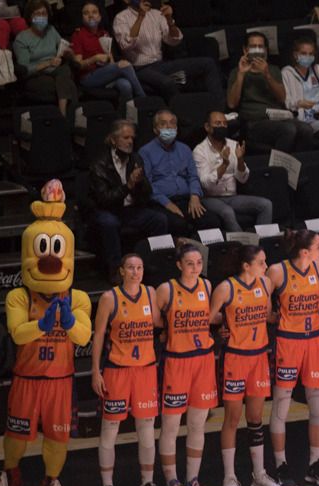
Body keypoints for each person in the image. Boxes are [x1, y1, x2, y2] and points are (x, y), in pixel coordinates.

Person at [0, 181, 91, 486]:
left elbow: (84, 337)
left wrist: (69, 324)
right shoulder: (19, 296)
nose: (50, 257)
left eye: (56, 248)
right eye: (43, 248)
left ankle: (51, 482)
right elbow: (17, 334)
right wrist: (41, 325)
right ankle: (10, 475)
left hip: (59, 380)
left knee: (58, 436)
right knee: (16, 435)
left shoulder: (78, 298)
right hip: (27, 378)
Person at [209, 245, 282, 486]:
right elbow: (209, 317)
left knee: (255, 418)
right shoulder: (226, 288)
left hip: (259, 357)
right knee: (231, 418)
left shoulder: (266, 284)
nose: (265, 265)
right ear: (246, 266)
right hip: (235, 359)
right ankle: (229, 478)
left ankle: (259, 475)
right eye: (261, 262)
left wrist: (285, 313)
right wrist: (222, 329)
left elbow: (267, 316)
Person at [91, 254, 161, 486]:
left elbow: (159, 324)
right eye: (130, 268)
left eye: (139, 267)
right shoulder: (110, 298)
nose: (135, 272)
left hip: (145, 370)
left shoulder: (150, 293)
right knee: (110, 429)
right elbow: (98, 336)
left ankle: (148, 483)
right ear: (121, 271)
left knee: (146, 429)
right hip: (117, 371)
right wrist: (95, 371)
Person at [154, 244, 218, 486]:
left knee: (197, 424)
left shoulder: (207, 286)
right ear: (179, 265)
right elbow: (155, 320)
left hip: (203, 361)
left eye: (199, 263)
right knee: (170, 426)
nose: (195, 268)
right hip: (176, 362)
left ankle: (192, 479)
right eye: (190, 263)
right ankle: (171, 482)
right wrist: (167, 330)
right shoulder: (166, 289)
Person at [266, 230, 319, 486]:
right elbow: (260, 305)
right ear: (305, 251)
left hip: (314, 340)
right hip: (288, 342)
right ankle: (280, 465)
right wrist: (276, 317)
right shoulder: (277, 272)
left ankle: (315, 464)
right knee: (281, 404)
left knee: (317, 405)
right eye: (318, 246)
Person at [87, 119, 168, 281]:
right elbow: (104, 199)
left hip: (132, 210)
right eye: (125, 138)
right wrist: (128, 185)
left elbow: (146, 194)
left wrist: (140, 184)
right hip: (108, 210)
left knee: (160, 219)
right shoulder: (99, 165)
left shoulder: (135, 159)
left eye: (132, 138)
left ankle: (153, 264)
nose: (130, 141)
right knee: (109, 223)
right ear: (113, 140)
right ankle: (116, 270)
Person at [113, 0, 222, 104]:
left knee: (208, 63)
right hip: (139, 69)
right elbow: (126, 45)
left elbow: (174, 40)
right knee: (168, 82)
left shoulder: (155, 14)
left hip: (161, 64)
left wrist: (169, 20)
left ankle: (218, 109)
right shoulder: (121, 18)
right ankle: (182, 115)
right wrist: (140, 17)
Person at [138, 109, 223, 238]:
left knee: (211, 221)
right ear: (155, 130)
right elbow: (147, 185)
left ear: (177, 128)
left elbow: (193, 176)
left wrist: (194, 196)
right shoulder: (145, 152)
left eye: (172, 123)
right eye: (163, 124)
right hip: (161, 203)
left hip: (187, 200)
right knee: (178, 224)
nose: (168, 127)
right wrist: (167, 204)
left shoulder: (185, 149)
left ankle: (203, 255)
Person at [228, 32, 317, 154]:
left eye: (261, 46)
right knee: (288, 130)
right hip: (254, 121)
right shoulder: (236, 72)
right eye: (253, 46)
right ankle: (279, 168)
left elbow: (282, 98)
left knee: (306, 129)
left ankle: (301, 166)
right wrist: (241, 74)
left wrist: (266, 74)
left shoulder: (273, 70)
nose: (257, 49)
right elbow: (232, 104)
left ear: (265, 50)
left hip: (277, 117)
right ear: (245, 49)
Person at [192, 110, 273, 232]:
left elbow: (243, 178)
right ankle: (244, 247)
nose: (222, 127)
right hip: (210, 198)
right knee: (227, 212)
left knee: (266, 205)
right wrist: (224, 165)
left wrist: (240, 160)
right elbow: (205, 183)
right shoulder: (199, 151)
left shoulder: (233, 144)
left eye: (225, 124)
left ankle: (262, 243)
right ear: (207, 127)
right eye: (218, 123)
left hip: (232, 196)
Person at [71, 1, 145, 106]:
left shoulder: (104, 33)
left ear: (100, 17)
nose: (91, 15)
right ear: (82, 18)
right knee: (125, 65)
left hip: (106, 73)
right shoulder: (78, 35)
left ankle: (126, 115)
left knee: (126, 85)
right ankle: (143, 100)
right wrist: (95, 58)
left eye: (94, 12)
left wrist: (112, 63)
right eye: (86, 13)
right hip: (88, 77)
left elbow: (111, 60)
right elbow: (77, 65)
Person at [12, 1, 78, 116]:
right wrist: (47, 63)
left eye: (44, 13)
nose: (41, 17)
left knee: (65, 70)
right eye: (37, 14)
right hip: (36, 74)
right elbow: (24, 69)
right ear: (30, 16)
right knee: (67, 83)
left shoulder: (51, 30)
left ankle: (63, 116)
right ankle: (70, 118)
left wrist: (68, 52)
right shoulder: (21, 39)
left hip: (56, 70)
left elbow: (63, 46)